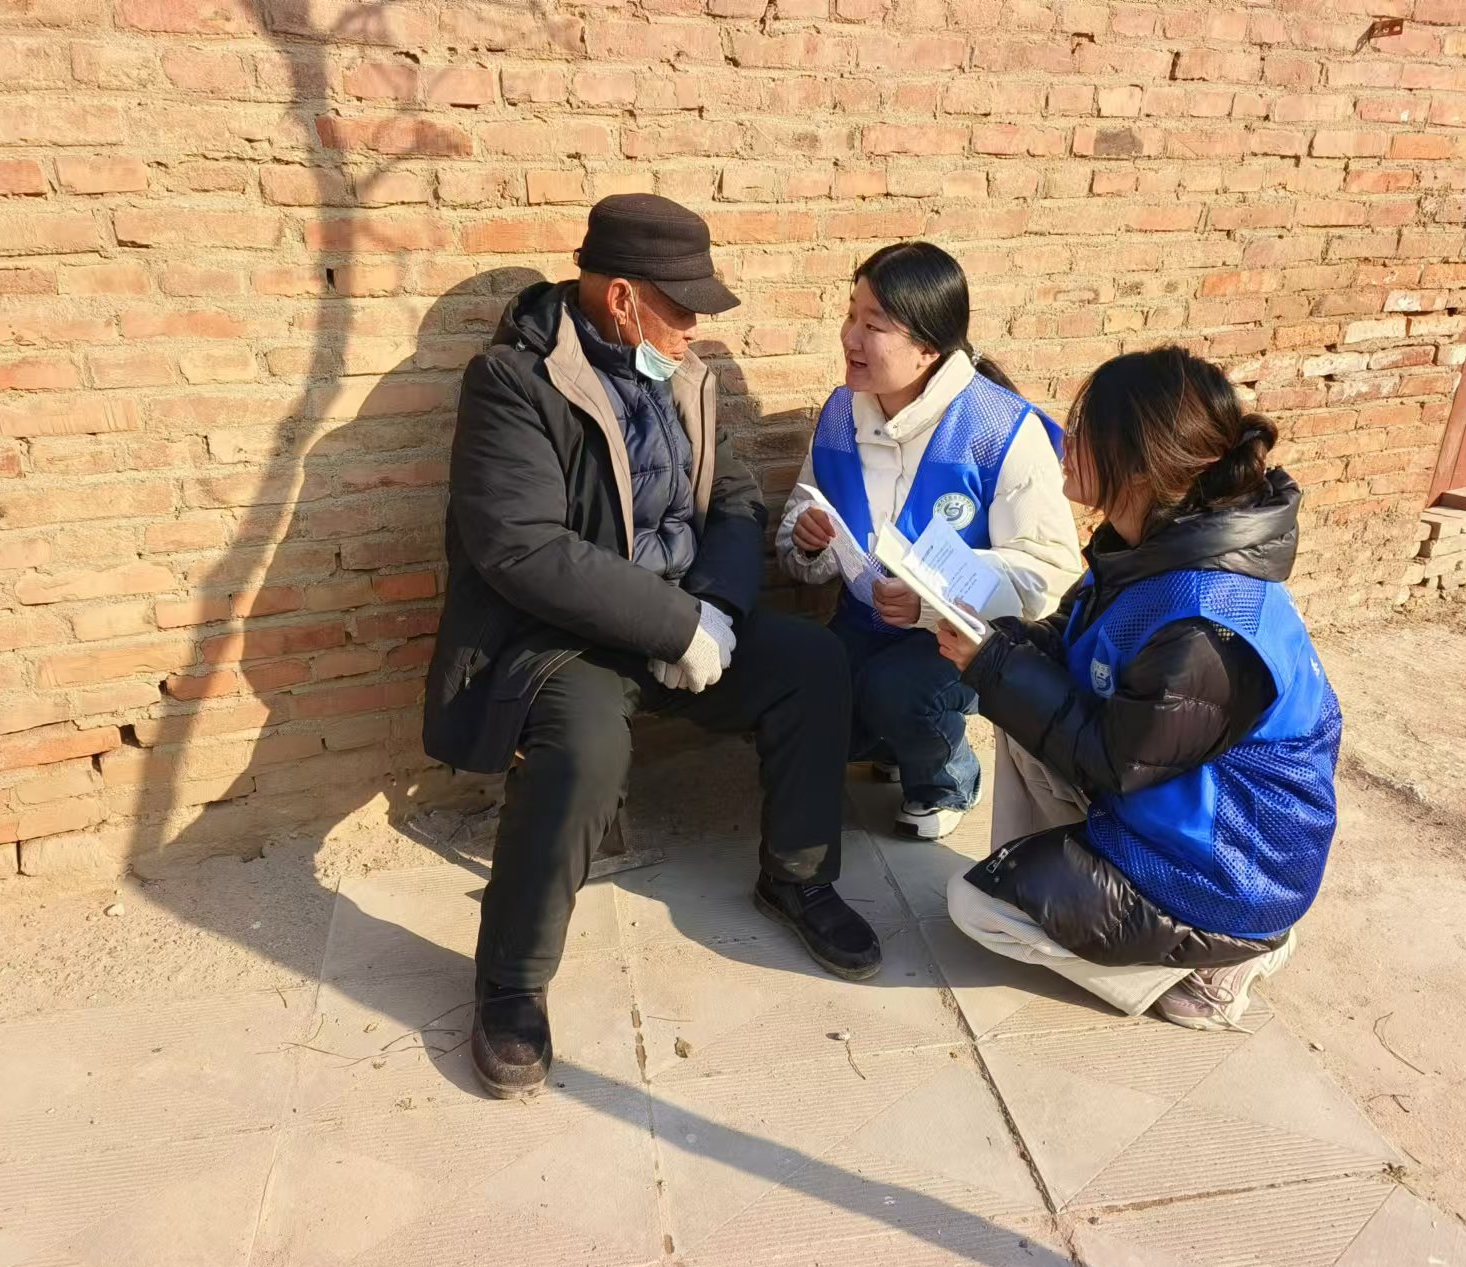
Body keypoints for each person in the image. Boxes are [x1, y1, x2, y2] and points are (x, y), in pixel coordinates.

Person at [423, 195, 881, 1100]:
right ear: (623, 299)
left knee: (812, 665)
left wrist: (712, 611)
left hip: (688, 617)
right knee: (585, 745)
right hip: (566, 639)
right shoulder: (514, 382)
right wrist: (670, 625)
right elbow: (521, 547)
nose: (695, 329)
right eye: (682, 309)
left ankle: (796, 878)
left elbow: (736, 499)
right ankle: (510, 980)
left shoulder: (684, 376)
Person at [937, 346, 1342, 1031]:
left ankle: (1219, 965)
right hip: (1169, 809)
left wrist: (995, 665)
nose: (1064, 444)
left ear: (1138, 463)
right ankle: (1048, 881)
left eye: (1083, 431)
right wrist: (993, 644)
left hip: (1232, 872)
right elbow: (1071, 645)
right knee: (1014, 707)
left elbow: (1113, 759)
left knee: (975, 909)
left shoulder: (1208, 627)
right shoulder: (1142, 547)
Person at [775, 242, 1080, 841]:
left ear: (928, 349)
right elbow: (800, 516)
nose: (850, 337)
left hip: (960, 638)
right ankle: (893, 742)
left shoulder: (1001, 429)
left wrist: (930, 601)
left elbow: (1051, 571)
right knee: (811, 693)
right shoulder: (839, 414)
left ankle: (947, 781)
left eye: (874, 326)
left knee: (895, 691)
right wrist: (806, 542)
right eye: (850, 314)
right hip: (862, 621)